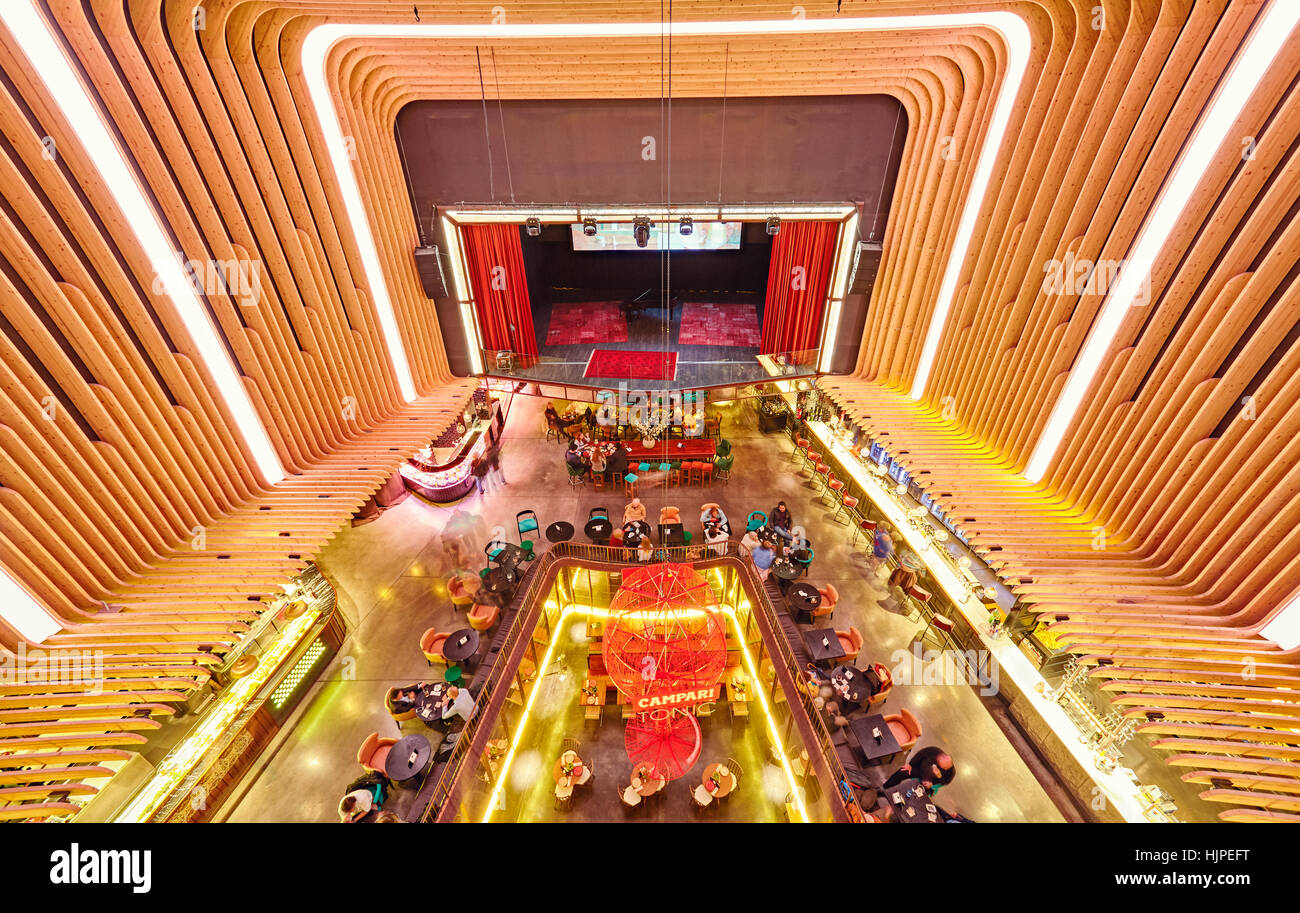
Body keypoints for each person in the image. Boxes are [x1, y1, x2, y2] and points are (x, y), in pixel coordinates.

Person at [883, 746, 955, 796]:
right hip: (919, 771)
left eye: (945, 768)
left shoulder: (951, 771)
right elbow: (920, 754)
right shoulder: (933, 751)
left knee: (920, 795)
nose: (943, 769)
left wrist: (932, 784)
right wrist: (910, 765)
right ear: (939, 758)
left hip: (931, 781)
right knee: (901, 772)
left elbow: (945, 782)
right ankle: (886, 788)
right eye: (941, 766)